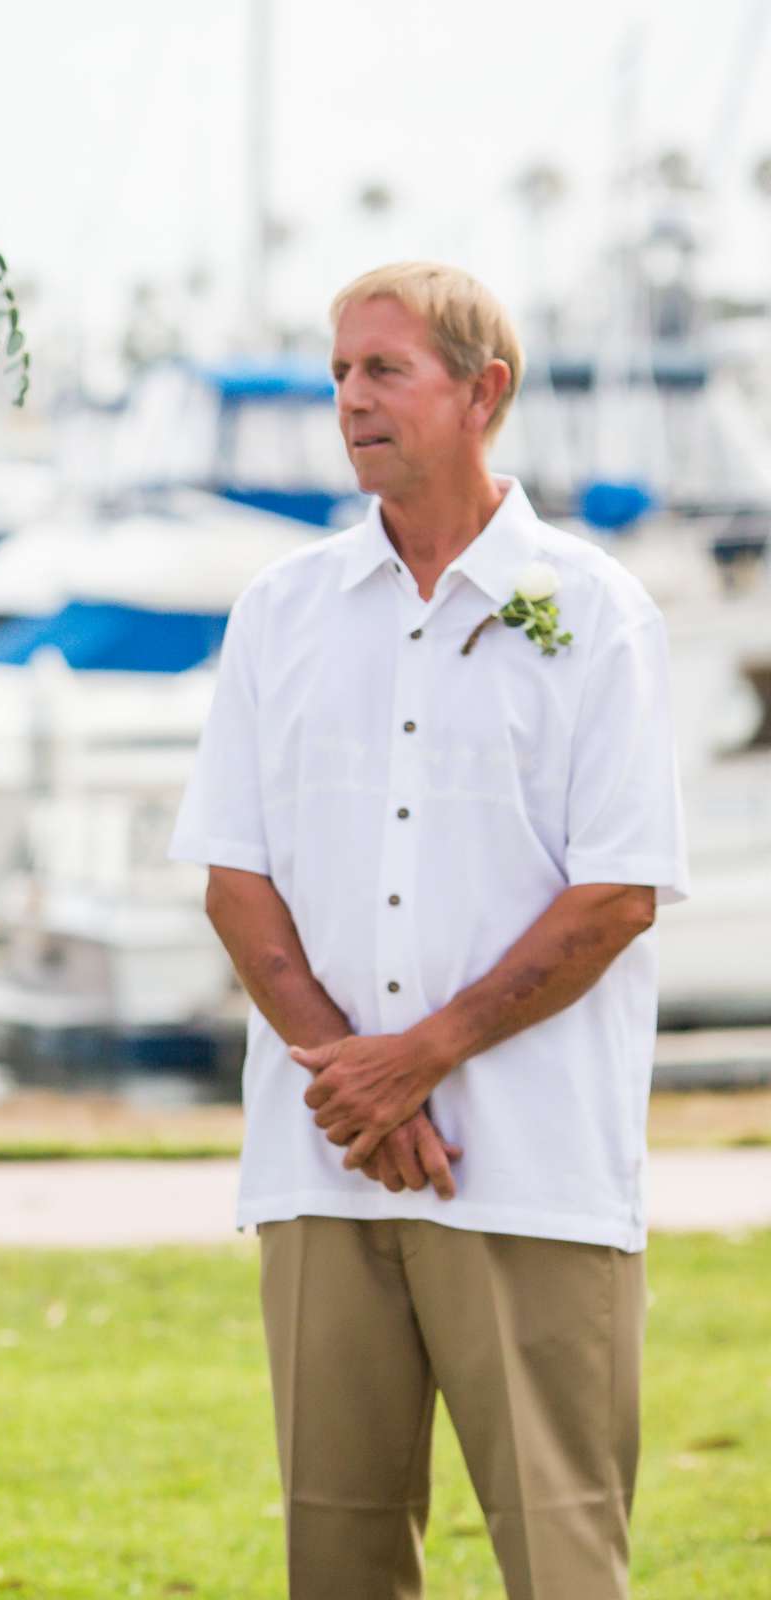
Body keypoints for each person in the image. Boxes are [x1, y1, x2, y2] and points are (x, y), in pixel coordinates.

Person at [169, 261, 687, 1600]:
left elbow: (619, 890)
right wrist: (356, 1076)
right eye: (339, 372)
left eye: (384, 369)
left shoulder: (594, 612)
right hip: (320, 1159)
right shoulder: (279, 612)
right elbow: (233, 872)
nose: (349, 399)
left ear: (482, 392)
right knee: (335, 1553)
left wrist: (425, 1055)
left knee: (563, 1550)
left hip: (531, 1164)